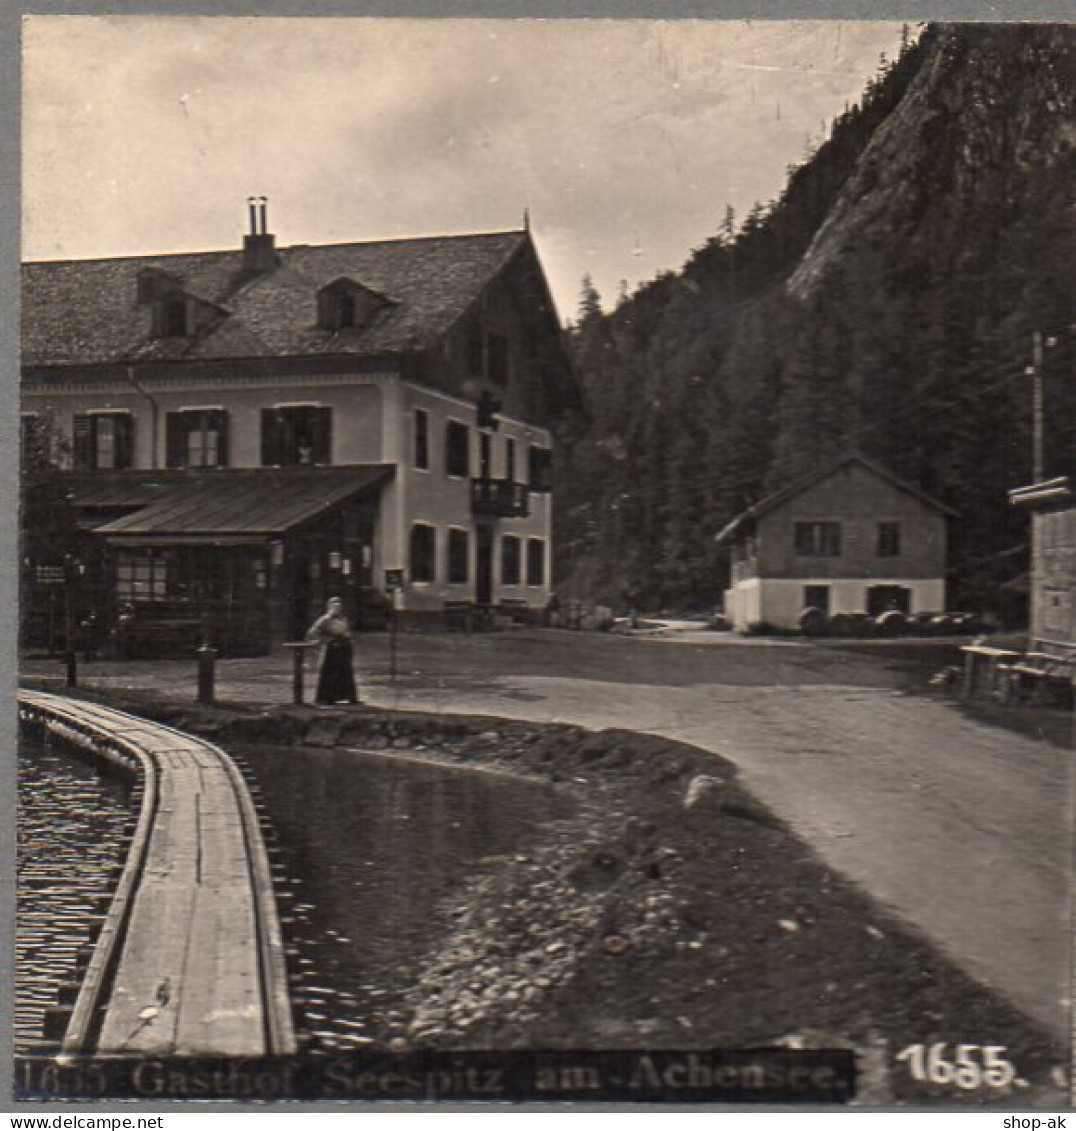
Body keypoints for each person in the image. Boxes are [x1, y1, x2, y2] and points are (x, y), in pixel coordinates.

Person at [305, 596, 358, 705]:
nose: (337, 609)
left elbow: (347, 632)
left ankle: (348, 697)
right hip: (331, 650)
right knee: (330, 673)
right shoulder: (325, 619)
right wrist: (323, 640)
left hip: (343, 649)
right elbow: (312, 633)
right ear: (329, 607)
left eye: (339, 607)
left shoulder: (344, 619)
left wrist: (349, 640)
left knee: (346, 673)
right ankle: (327, 698)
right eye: (334, 606)